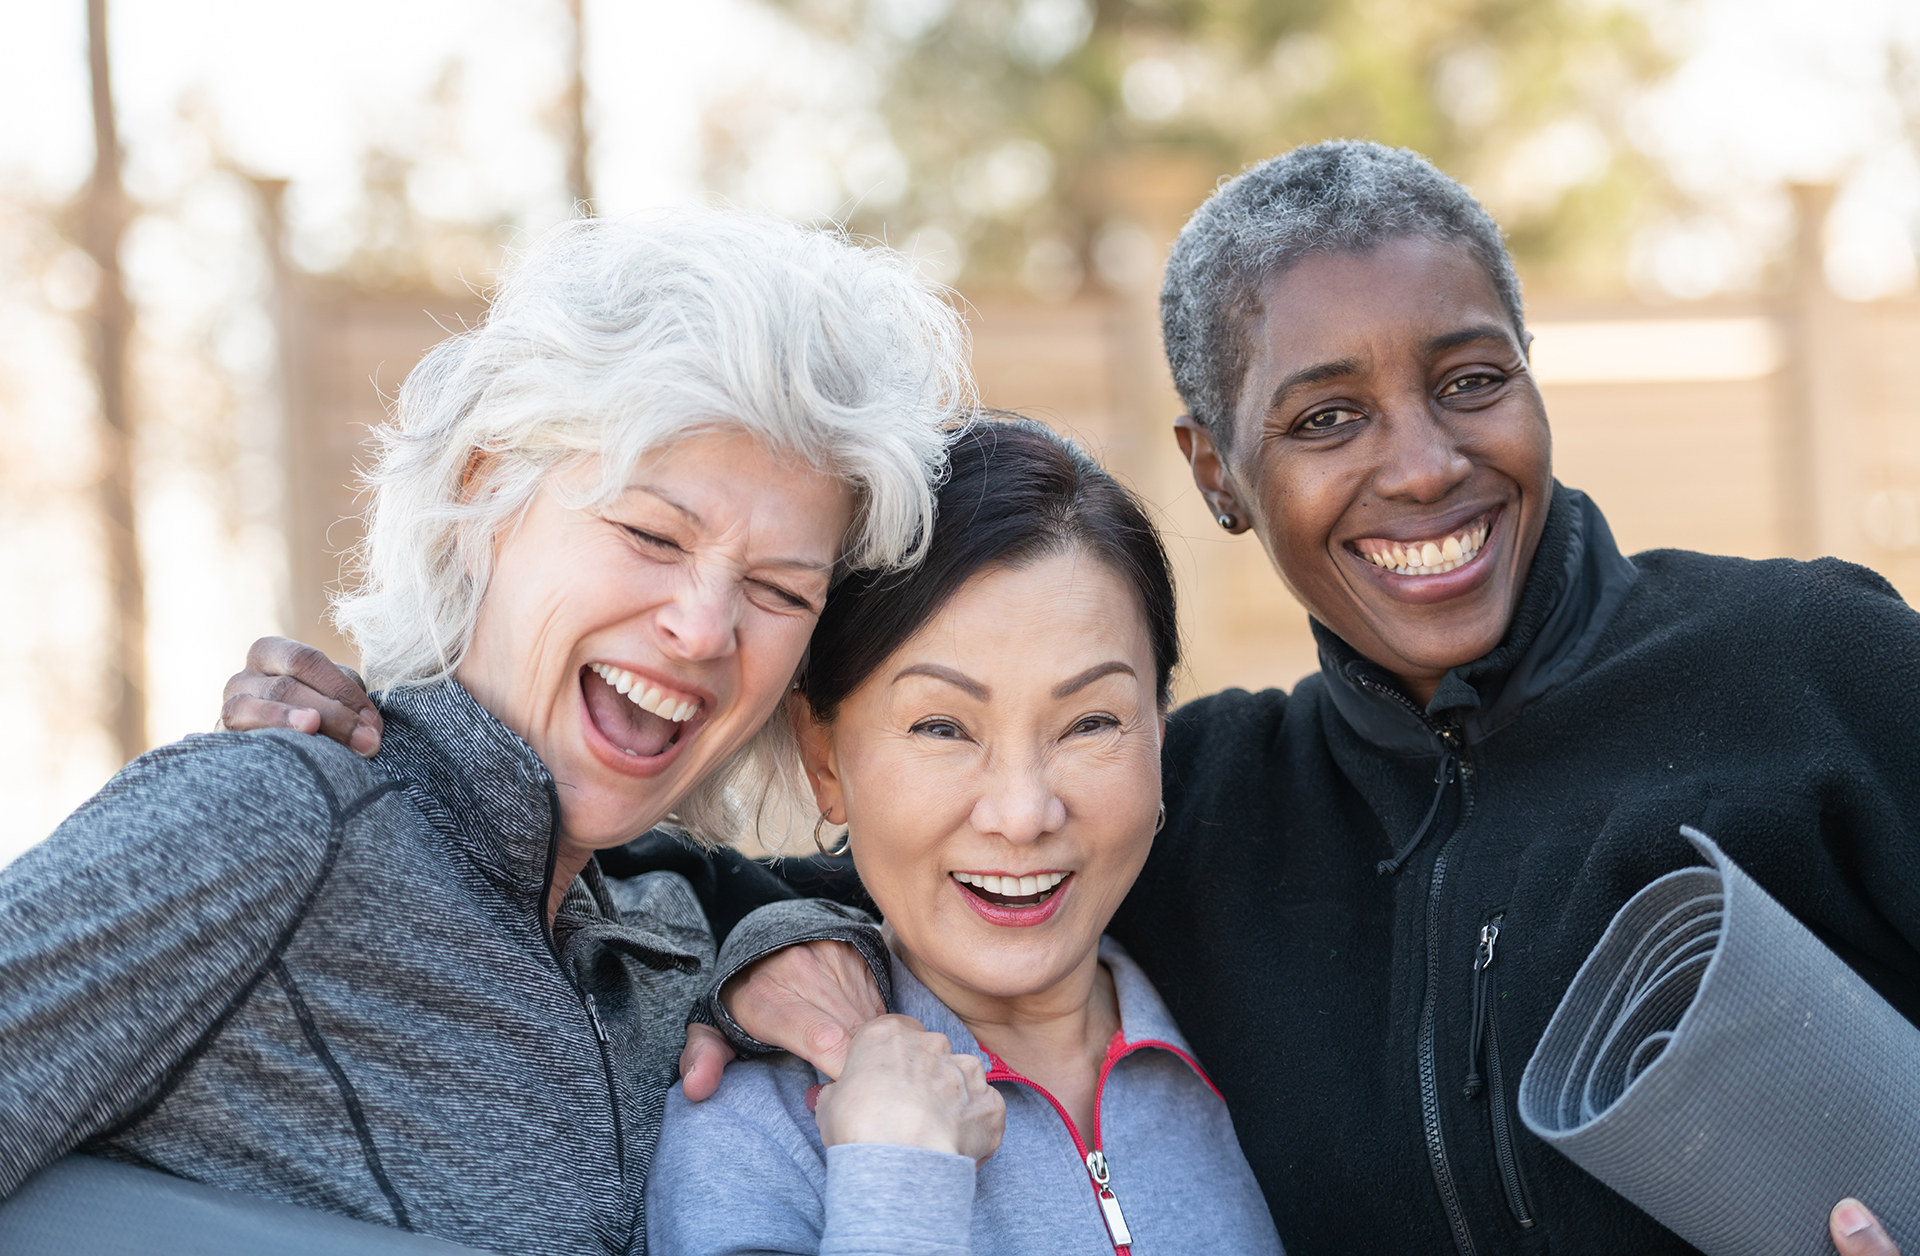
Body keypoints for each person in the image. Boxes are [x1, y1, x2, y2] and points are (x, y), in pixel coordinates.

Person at [218, 143, 1911, 1256]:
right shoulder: (1210, 807)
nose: (1423, 464)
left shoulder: (1814, 670)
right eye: (1324, 417)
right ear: (1220, 473)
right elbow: (783, 864)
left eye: (1475, 381)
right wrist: (404, 757)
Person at [0, 207, 968, 1254]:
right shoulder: (273, 824)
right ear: (483, 496)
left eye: (779, 589)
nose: (703, 627)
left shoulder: (669, 941)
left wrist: (774, 939)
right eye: (650, 532)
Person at [645, 420, 1283, 1255]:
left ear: (1159, 737)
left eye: (1091, 722)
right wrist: (897, 1181)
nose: (1023, 814)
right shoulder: (753, 1130)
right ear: (824, 758)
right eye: (943, 728)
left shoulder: (1260, 1035)